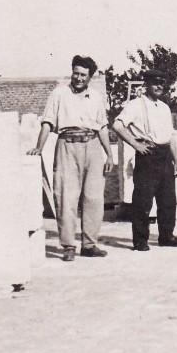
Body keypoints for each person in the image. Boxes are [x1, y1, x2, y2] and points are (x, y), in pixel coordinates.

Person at [28, 55, 114, 259]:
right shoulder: (59, 94)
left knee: (93, 198)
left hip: (92, 145)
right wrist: (38, 147)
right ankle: (68, 246)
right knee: (66, 196)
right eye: (75, 73)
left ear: (90, 77)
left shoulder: (96, 97)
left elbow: (102, 127)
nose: (78, 78)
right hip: (67, 145)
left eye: (83, 75)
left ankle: (89, 244)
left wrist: (108, 154)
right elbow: (48, 122)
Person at [112, 69, 177, 251]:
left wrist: (176, 160)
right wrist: (136, 145)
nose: (159, 86)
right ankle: (140, 240)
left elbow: (170, 136)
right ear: (147, 84)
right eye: (155, 82)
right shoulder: (136, 105)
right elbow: (117, 125)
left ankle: (166, 236)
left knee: (168, 200)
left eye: (162, 82)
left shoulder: (164, 107)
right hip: (147, 155)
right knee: (143, 201)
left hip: (164, 156)